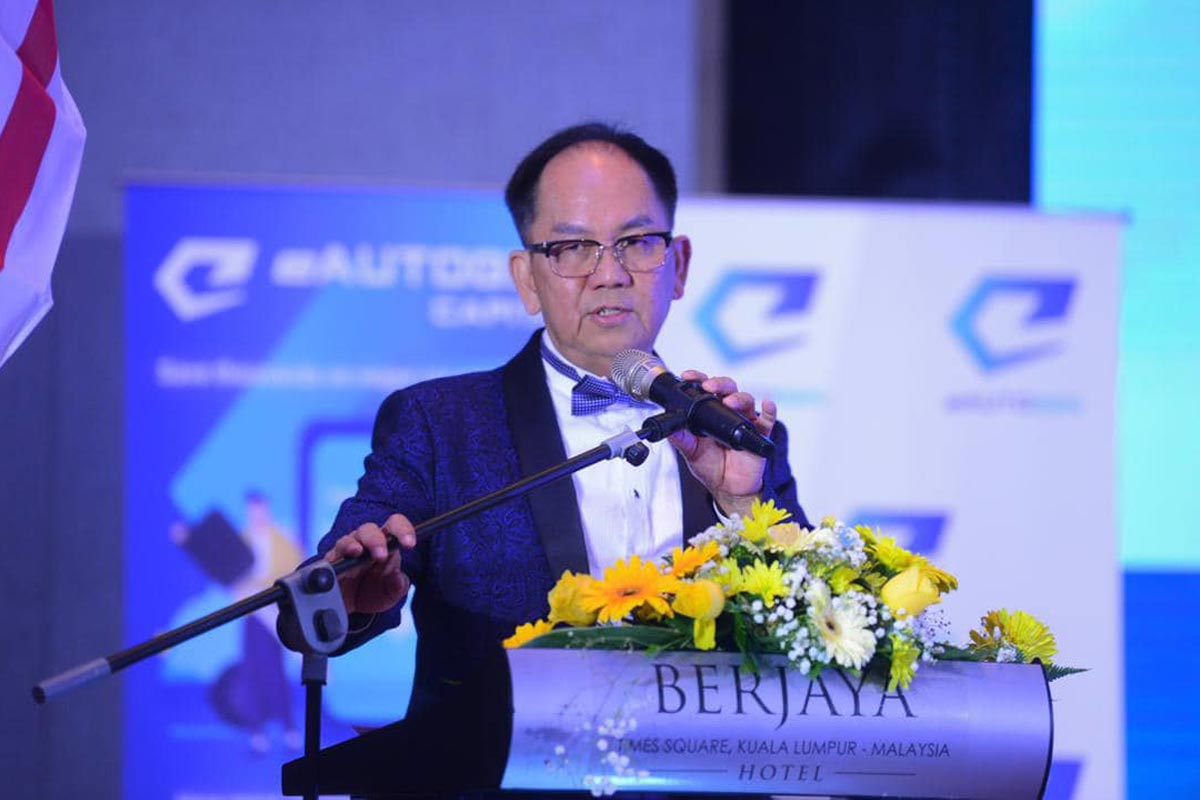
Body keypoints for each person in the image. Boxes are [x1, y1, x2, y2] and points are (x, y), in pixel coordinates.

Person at [318, 123, 809, 717]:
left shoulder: (733, 432)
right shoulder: (438, 423)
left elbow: (811, 630)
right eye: (574, 248)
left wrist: (741, 506)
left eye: (637, 241)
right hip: (496, 760)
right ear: (527, 278)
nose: (610, 273)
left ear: (678, 264)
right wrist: (348, 596)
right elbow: (333, 594)